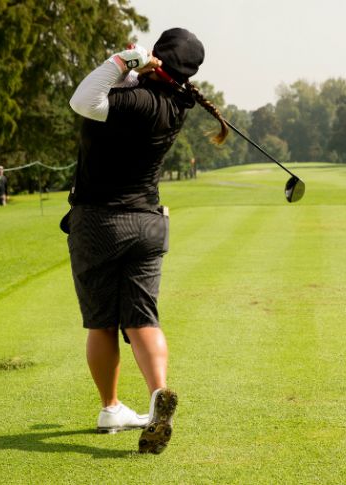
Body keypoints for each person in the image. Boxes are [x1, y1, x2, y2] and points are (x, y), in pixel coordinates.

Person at [66, 28, 228, 454]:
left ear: (158, 58)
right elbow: (119, 89)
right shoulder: (174, 104)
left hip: (99, 224)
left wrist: (123, 60)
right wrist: (133, 64)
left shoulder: (134, 102)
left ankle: (110, 405)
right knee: (143, 319)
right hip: (147, 224)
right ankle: (157, 396)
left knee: (101, 322)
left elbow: (84, 99)